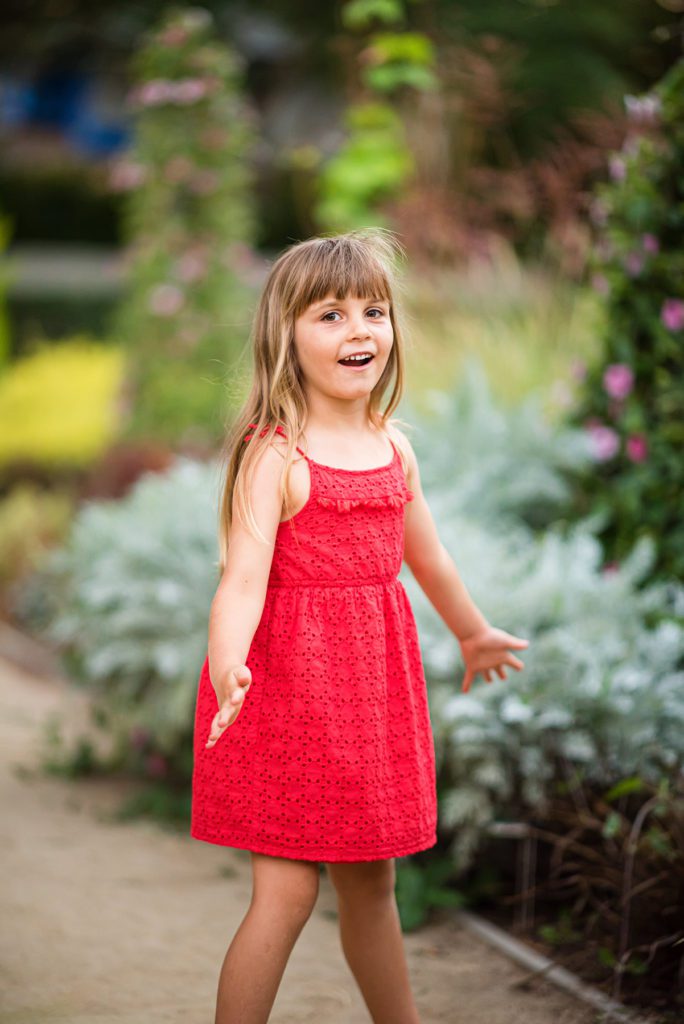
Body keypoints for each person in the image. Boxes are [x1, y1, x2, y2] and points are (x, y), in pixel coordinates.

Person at [190, 228, 529, 1024]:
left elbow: (430, 557)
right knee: (287, 891)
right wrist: (228, 663)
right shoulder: (275, 454)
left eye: (373, 312)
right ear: (288, 336)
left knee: (374, 882)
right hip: (285, 695)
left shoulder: (392, 449)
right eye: (332, 316)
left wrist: (472, 632)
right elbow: (241, 580)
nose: (359, 331)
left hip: (371, 700)